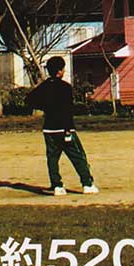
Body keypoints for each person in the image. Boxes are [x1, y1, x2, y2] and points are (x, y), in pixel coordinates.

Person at [27, 56, 98, 194]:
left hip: (49, 129)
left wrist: (45, 107)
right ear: (59, 71)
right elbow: (67, 110)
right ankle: (87, 184)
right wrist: (68, 130)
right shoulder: (66, 87)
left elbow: (29, 100)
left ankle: (57, 186)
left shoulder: (44, 86)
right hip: (64, 128)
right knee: (78, 156)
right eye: (63, 69)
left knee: (52, 159)